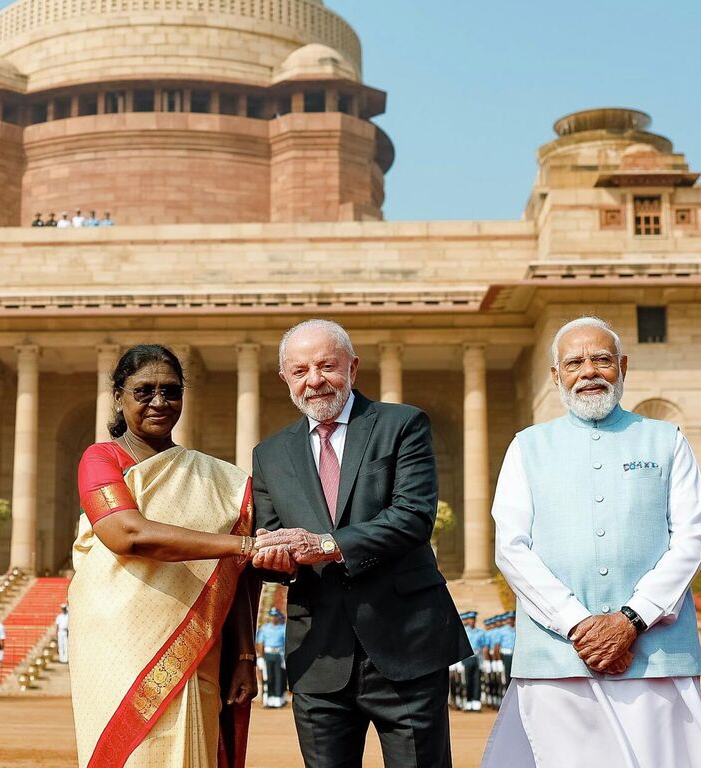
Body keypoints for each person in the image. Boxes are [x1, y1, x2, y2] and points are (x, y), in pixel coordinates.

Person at [484, 316, 701, 766]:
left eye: (601, 360)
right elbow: (511, 548)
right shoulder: (526, 446)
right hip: (557, 655)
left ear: (623, 366)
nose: (588, 372)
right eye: (574, 363)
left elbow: (691, 539)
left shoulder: (666, 439)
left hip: (655, 653)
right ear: (556, 375)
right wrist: (578, 625)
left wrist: (631, 621)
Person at [249, 320, 468, 768]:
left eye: (327, 365)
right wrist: (273, 558)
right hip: (319, 652)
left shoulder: (401, 424)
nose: (314, 381)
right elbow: (274, 540)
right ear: (285, 379)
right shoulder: (269, 454)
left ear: (353, 367)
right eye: (300, 370)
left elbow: (413, 517)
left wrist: (328, 544)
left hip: (405, 642)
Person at [70, 343, 260, 767]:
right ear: (119, 396)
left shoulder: (219, 481)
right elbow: (128, 534)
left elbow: (237, 578)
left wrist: (245, 655)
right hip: (117, 650)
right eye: (144, 391)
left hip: (197, 646)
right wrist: (244, 544)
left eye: (171, 391)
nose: (159, 402)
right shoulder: (102, 459)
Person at [257, 608, 289, 709]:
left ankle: (278, 700)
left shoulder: (282, 628)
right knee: (269, 677)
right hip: (268, 654)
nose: (274, 618)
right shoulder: (265, 628)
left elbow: (286, 643)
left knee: (279, 677)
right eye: (272, 616)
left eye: (276, 616)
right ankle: (268, 699)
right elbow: (260, 643)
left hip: (279, 654)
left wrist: (285, 656)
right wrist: (260, 657)